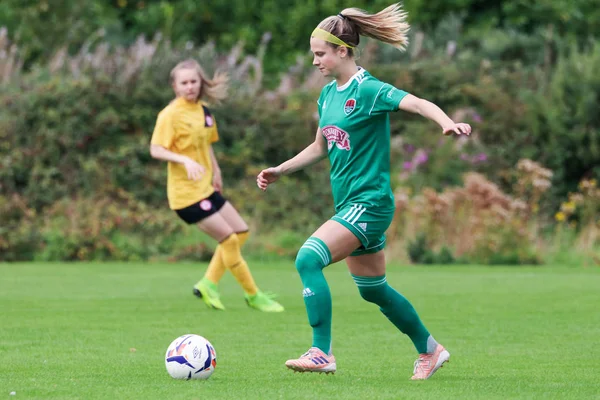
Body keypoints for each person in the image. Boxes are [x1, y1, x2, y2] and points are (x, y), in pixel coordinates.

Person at [256, 4, 471, 379]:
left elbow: (416, 102)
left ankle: (322, 352)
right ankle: (430, 349)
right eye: (313, 55)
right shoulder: (327, 96)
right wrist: (280, 170)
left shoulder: (369, 89)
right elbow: (320, 147)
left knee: (308, 259)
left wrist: (447, 122)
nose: (314, 62)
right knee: (373, 290)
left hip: (369, 204)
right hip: (350, 205)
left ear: (343, 51)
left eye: (319, 54)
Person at [150, 59, 284, 313]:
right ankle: (253, 295)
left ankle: (208, 283)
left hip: (206, 188)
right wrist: (183, 160)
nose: (190, 87)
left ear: (200, 83)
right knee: (230, 240)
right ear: (175, 86)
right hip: (185, 196)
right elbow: (156, 149)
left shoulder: (205, 112)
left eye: (194, 81)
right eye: (184, 82)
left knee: (241, 231)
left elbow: (207, 145)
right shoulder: (169, 115)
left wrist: (217, 171)